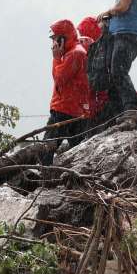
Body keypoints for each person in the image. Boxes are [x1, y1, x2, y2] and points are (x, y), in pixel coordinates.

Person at [96, 0, 137, 118]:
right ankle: (119, 111)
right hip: (120, 36)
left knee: (118, 70)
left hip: (128, 36)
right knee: (113, 74)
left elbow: (122, 7)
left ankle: (132, 106)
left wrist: (107, 13)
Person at [44, 19, 91, 165]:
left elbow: (59, 79)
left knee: (47, 147)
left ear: (63, 38)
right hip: (76, 110)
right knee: (77, 149)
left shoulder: (74, 54)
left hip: (64, 109)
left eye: (55, 39)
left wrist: (56, 59)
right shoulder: (75, 51)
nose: (53, 44)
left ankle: (44, 179)